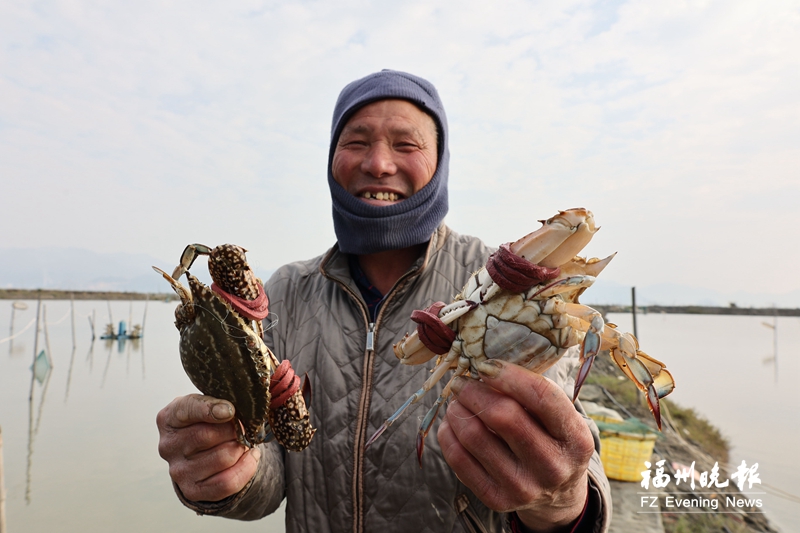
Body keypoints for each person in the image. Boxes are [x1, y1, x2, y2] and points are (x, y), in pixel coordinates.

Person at [157, 70, 611, 533]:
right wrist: (228, 473)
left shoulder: (503, 280)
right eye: (356, 142)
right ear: (331, 159)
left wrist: (562, 501)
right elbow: (272, 461)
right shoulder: (287, 289)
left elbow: (573, 453)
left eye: (406, 144)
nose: (378, 164)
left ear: (441, 162)